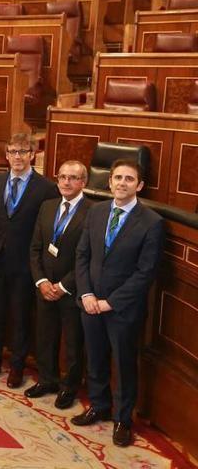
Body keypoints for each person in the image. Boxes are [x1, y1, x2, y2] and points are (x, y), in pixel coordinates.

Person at [72, 159, 164, 447]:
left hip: (122, 309)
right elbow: (82, 256)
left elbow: (146, 272)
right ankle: (99, 405)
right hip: (90, 303)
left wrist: (110, 302)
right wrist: (86, 294)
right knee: (95, 358)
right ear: (109, 182)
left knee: (123, 364)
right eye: (117, 178)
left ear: (139, 185)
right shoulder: (97, 212)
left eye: (129, 179)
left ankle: (123, 419)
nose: (122, 183)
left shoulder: (151, 222)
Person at [0, 135, 59, 388]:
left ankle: (17, 366)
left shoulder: (46, 188)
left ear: (32, 154)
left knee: (20, 317)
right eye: (12, 152)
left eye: (23, 151)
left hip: (24, 264)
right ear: (6, 155)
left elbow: (46, 231)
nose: (17, 157)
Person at [26, 160, 93, 409]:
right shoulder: (47, 206)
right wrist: (41, 281)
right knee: (45, 336)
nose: (66, 182)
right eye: (62, 177)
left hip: (71, 290)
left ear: (83, 182)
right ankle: (47, 379)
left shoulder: (92, 211)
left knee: (73, 343)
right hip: (44, 286)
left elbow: (88, 257)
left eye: (73, 178)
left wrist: (63, 286)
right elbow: (35, 248)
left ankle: (69, 387)